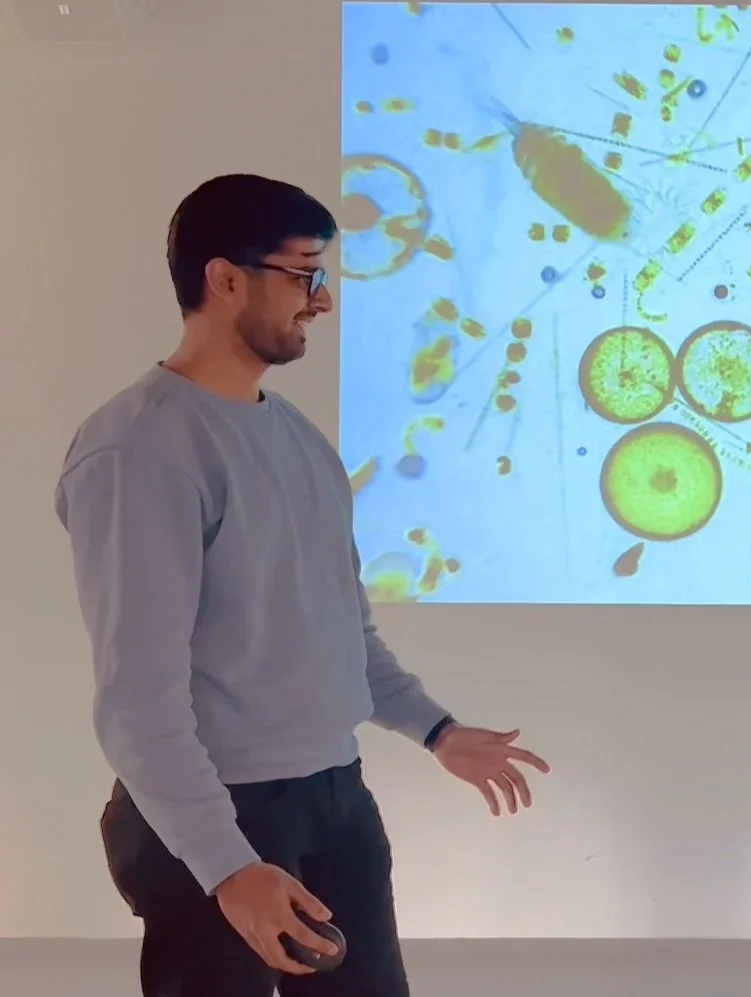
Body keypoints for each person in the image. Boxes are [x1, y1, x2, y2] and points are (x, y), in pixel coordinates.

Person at [54, 173, 552, 997]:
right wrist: (227, 865)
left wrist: (435, 730)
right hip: (217, 814)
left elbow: (341, 631)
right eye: (305, 275)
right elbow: (137, 700)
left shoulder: (299, 441)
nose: (321, 302)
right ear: (224, 279)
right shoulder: (139, 452)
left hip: (334, 798)